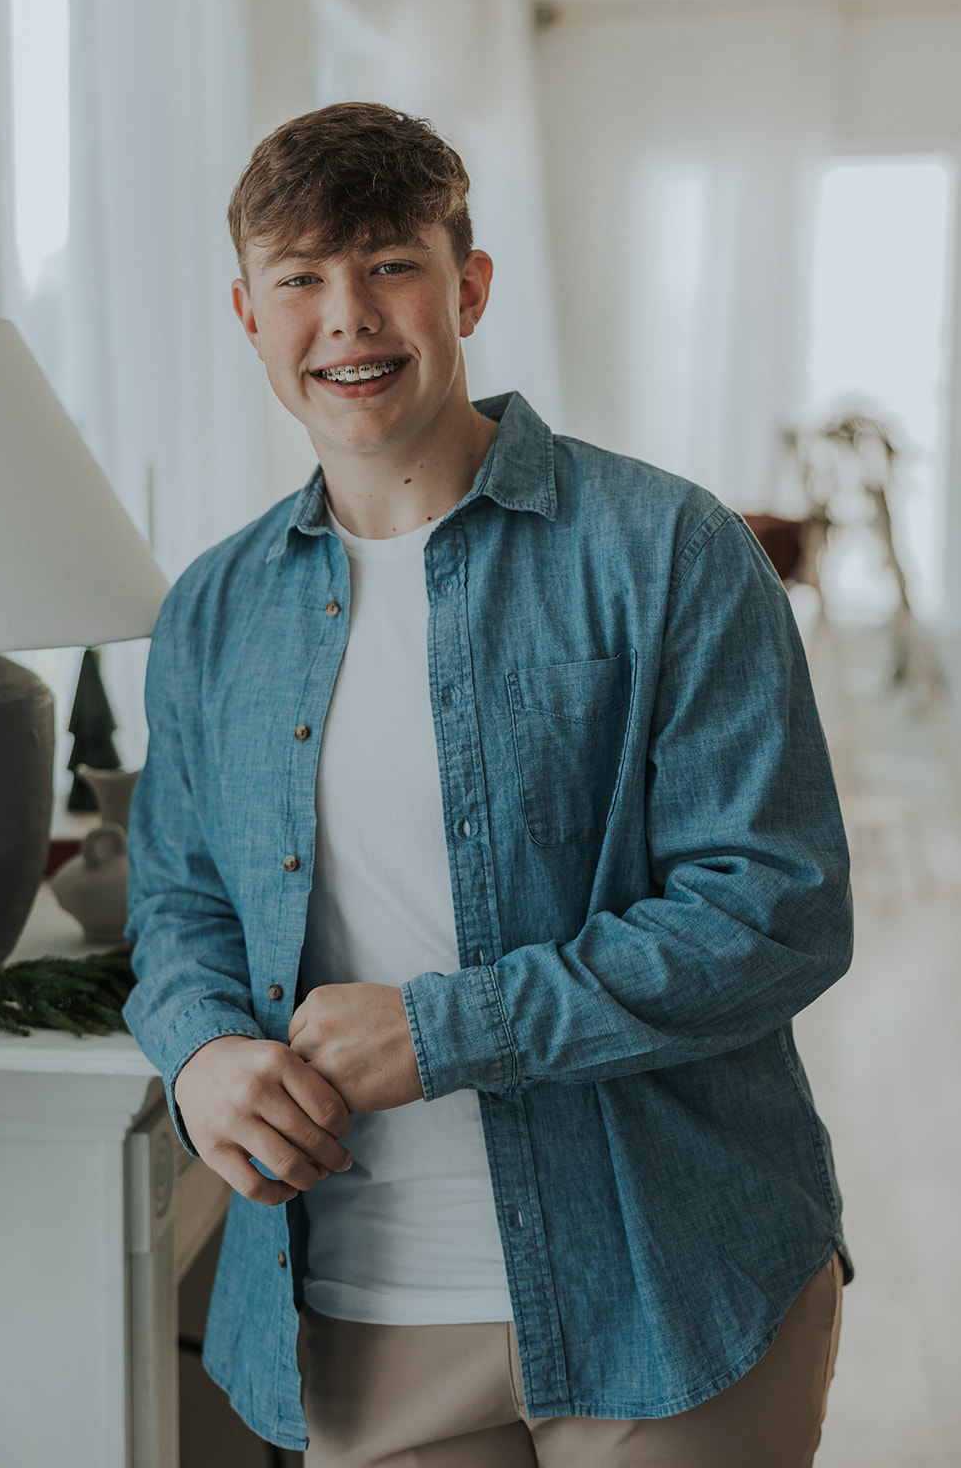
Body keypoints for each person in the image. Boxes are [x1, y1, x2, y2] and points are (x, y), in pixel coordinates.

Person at [124, 101, 852, 1468]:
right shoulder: (212, 611)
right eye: (300, 279)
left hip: (671, 1282)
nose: (348, 316)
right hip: (355, 1311)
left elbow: (778, 906)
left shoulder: (666, 549)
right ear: (247, 314)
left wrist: (448, 1033)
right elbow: (176, 905)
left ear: (468, 286)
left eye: (388, 264)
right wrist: (202, 1053)